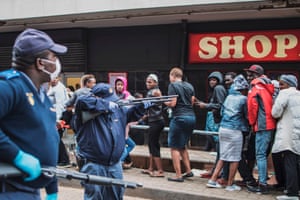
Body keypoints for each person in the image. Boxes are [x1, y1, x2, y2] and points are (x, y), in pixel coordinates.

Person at [0, 28, 67, 200]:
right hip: (8, 189)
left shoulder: (42, 94)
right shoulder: (9, 87)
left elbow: (48, 137)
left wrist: (52, 188)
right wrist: (17, 156)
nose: (57, 63)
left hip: (30, 190)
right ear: (40, 63)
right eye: (53, 57)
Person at [73, 83, 127, 199]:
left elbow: (129, 115)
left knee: (116, 196)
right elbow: (82, 100)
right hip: (94, 163)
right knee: (95, 196)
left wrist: (142, 108)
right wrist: (105, 105)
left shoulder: (110, 111)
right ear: (97, 98)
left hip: (114, 163)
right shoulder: (83, 109)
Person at [206, 74, 249, 191]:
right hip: (235, 130)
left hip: (223, 128)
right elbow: (247, 115)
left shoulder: (229, 97)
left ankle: (213, 180)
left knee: (223, 156)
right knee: (235, 158)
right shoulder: (244, 99)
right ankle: (230, 184)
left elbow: (221, 112)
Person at [245, 64, 276, 194]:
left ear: (255, 75)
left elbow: (252, 107)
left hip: (262, 125)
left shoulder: (255, 87)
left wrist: (251, 123)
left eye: (250, 73)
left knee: (260, 155)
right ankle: (263, 181)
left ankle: (262, 184)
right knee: (263, 154)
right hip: (271, 124)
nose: (248, 76)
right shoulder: (268, 87)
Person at [271, 75, 300, 200]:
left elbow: (275, 112)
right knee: (296, 162)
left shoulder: (284, 94)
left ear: (288, 84)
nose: (280, 87)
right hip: (297, 133)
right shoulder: (298, 95)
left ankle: (292, 193)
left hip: (287, 133)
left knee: (289, 162)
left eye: (282, 84)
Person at [165, 67, 196, 182]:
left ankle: (178, 175)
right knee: (182, 145)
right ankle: (188, 171)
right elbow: (192, 102)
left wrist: (163, 101)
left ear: (172, 75)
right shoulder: (189, 86)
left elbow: (173, 103)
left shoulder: (173, 86)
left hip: (179, 117)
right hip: (191, 117)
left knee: (174, 147)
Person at [197, 71, 227, 181]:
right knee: (216, 147)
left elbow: (220, 105)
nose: (211, 82)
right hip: (214, 120)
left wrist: (206, 105)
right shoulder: (216, 90)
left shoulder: (219, 89)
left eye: (214, 80)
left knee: (219, 147)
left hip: (217, 122)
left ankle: (219, 172)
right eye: (210, 80)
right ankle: (215, 170)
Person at [141, 74, 165, 177]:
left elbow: (149, 104)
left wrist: (140, 103)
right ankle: (150, 168)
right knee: (151, 144)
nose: (147, 84)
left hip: (157, 121)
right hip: (152, 120)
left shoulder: (156, 91)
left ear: (156, 83)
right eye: (147, 81)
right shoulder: (150, 92)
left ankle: (160, 170)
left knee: (154, 145)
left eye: (150, 82)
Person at [47, 76, 71, 167]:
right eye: (52, 78)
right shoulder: (53, 88)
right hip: (57, 116)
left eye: (55, 78)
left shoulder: (58, 89)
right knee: (56, 137)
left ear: (59, 78)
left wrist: (57, 120)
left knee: (56, 137)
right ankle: (61, 159)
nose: (53, 80)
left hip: (60, 116)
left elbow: (59, 105)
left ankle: (64, 160)